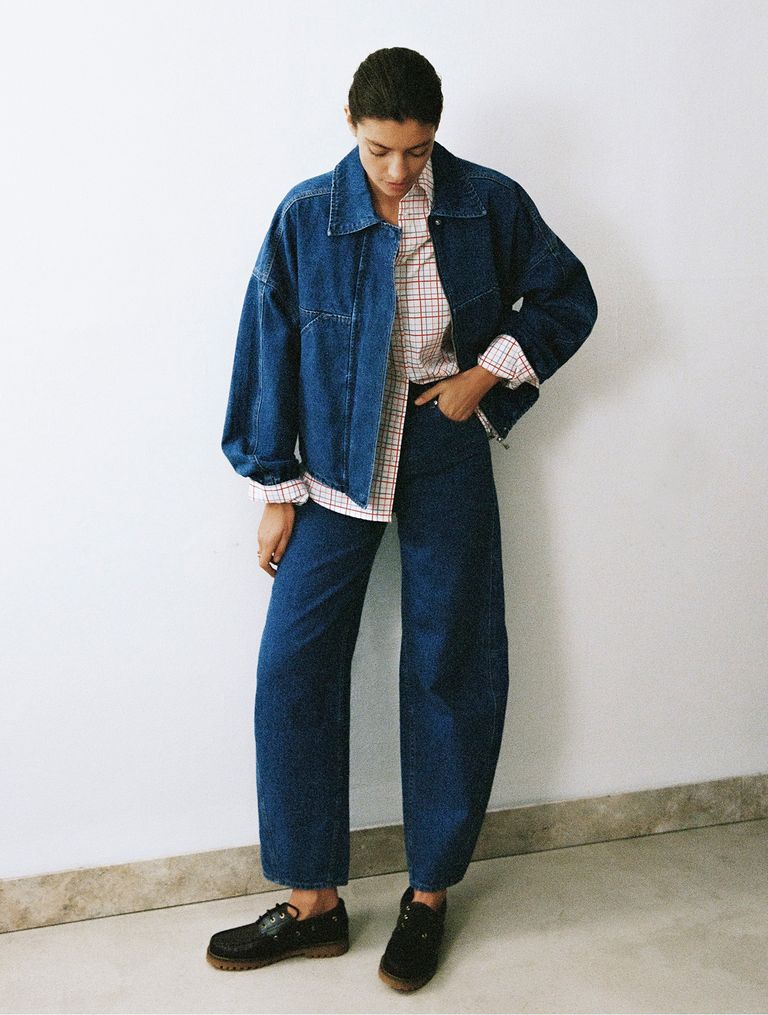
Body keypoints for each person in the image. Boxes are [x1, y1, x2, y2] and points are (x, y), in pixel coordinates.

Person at [209, 47, 598, 991]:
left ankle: (428, 897)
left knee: (449, 658)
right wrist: (274, 489)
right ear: (352, 123)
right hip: (336, 459)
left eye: (416, 152)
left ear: (436, 134)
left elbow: (565, 296)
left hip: (443, 445)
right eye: (383, 150)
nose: (397, 171)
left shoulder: (486, 200)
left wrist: (481, 379)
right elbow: (270, 342)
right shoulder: (308, 214)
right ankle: (314, 905)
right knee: (294, 661)